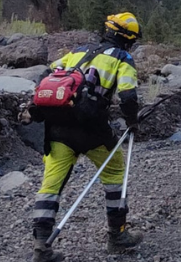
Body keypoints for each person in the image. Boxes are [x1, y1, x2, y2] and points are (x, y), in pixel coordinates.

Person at [27, 13, 144, 262]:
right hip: (92, 129)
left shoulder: (78, 51)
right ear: (128, 39)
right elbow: (128, 96)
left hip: (57, 127)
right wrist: (132, 121)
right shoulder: (122, 58)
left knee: (50, 186)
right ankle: (117, 236)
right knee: (115, 173)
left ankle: (40, 246)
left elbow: (48, 74)